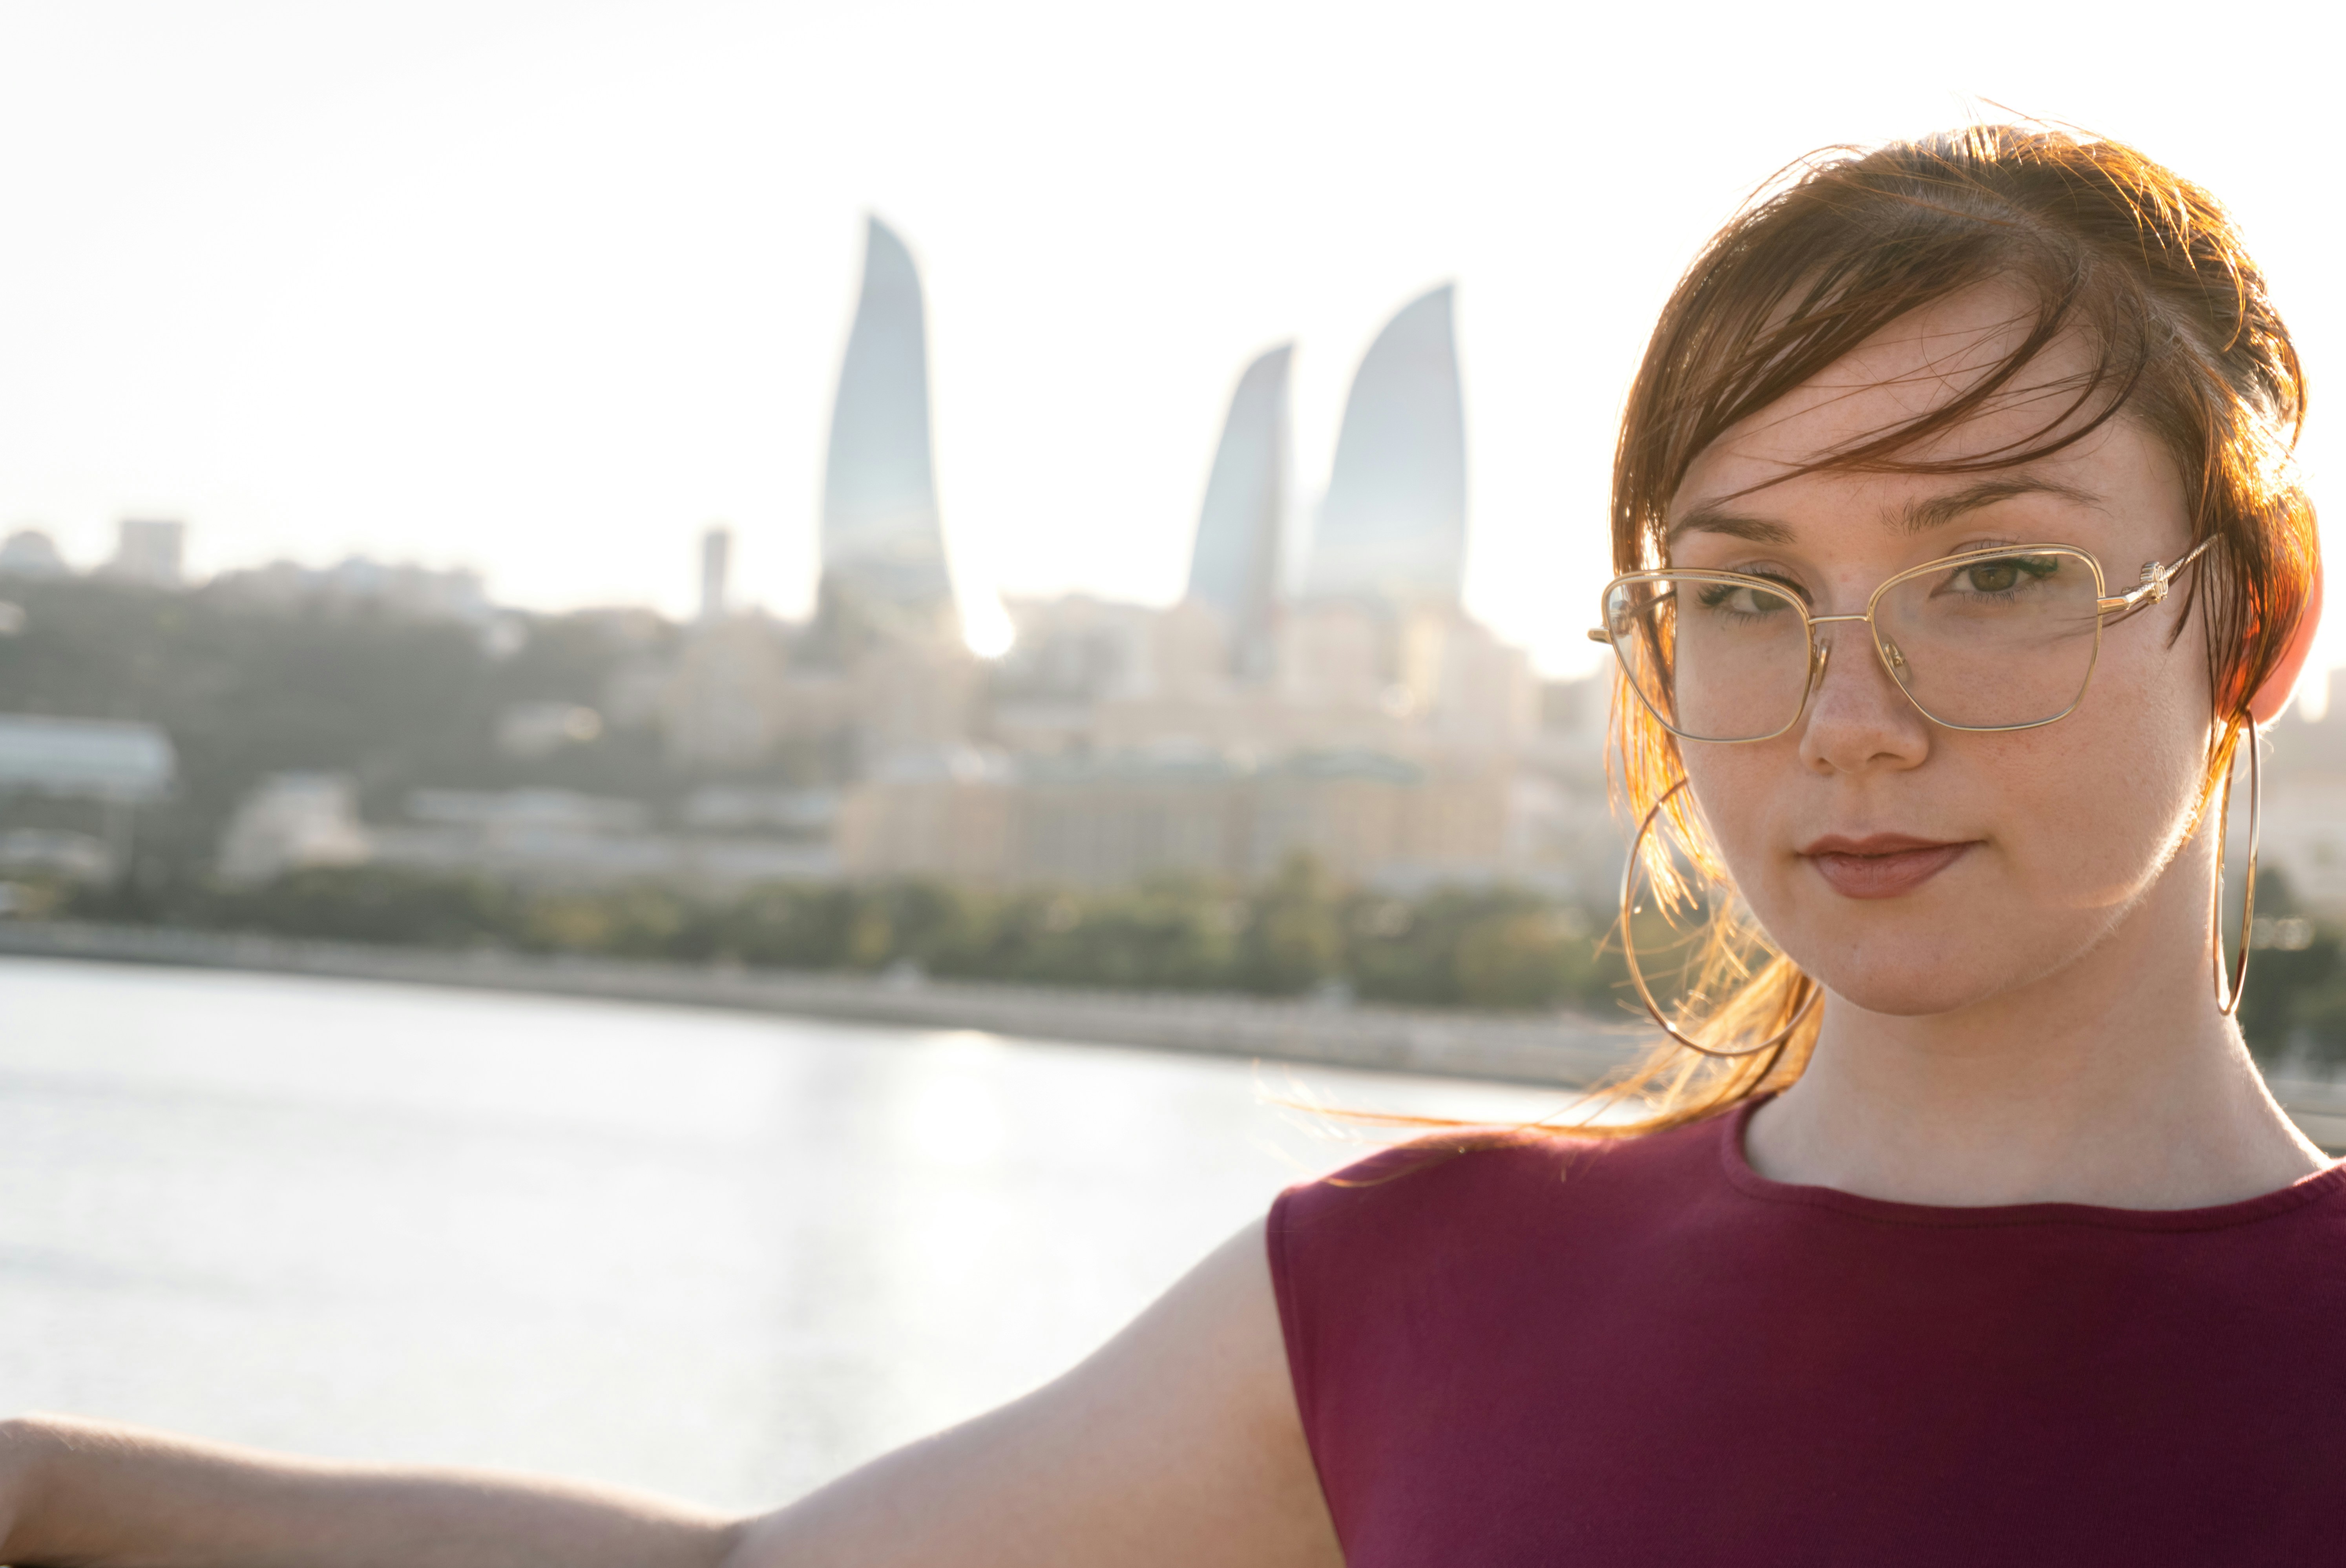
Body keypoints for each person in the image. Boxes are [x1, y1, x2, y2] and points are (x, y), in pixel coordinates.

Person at [0, 122, 2332, 1565]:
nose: (1850, 718)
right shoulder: (1422, 1291)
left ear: (2254, 624)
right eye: (1744, 595)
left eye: (1994, 574)